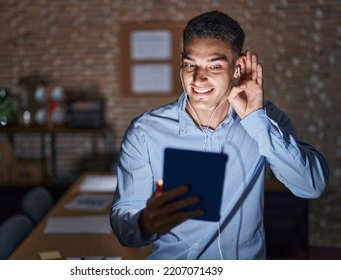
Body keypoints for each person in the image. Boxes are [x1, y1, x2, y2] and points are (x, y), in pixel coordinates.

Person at [110, 10, 329, 260]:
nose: (198, 78)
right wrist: (144, 222)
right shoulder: (144, 132)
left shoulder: (266, 119)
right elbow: (122, 222)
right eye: (190, 64)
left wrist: (255, 121)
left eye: (214, 66)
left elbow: (312, 186)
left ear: (237, 70)